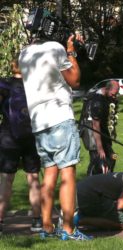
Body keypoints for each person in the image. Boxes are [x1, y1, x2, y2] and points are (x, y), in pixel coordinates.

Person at [18, 28, 90, 240]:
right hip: (59, 116)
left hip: (39, 122)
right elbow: (74, 79)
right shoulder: (55, 48)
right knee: (67, 172)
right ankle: (68, 229)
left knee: (49, 173)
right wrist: (71, 51)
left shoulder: (24, 53)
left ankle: (47, 227)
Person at [0, 58, 41, 234]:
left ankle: (0, 221)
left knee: (6, 180)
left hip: (8, 137)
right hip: (31, 137)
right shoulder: (36, 85)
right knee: (33, 178)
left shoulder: (4, 84)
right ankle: (37, 220)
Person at [75, 166, 123, 230]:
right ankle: (80, 219)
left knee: (119, 214)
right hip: (88, 195)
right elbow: (120, 205)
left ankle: (84, 217)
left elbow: (118, 203)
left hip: (79, 191)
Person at [79, 80, 120, 175]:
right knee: (97, 161)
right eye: (113, 94)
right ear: (106, 89)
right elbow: (95, 125)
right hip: (91, 133)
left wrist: (112, 133)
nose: (114, 97)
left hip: (102, 131)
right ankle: (90, 182)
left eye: (116, 94)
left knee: (113, 157)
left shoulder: (106, 96)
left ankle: (107, 178)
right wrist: (100, 148)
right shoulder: (97, 102)